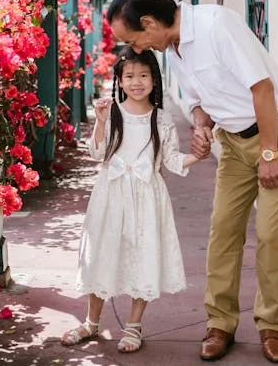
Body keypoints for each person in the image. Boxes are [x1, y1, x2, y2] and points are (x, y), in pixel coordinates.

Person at [105, 0, 278, 363]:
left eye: (132, 39)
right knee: (223, 229)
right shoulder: (174, 48)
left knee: (270, 233)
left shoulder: (217, 26)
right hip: (233, 139)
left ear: (149, 23)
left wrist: (269, 152)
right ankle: (220, 324)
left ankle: (271, 326)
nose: (134, 48)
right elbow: (201, 100)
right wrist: (200, 126)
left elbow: (261, 88)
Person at [60, 48, 205, 353]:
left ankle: (134, 325)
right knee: (102, 252)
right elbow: (98, 154)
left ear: (154, 79)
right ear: (120, 81)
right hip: (111, 194)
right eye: (130, 76)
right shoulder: (112, 112)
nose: (137, 82)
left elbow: (171, 159)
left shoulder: (161, 120)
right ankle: (91, 321)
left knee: (143, 254)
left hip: (146, 197)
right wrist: (99, 122)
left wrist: (196, 156)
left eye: (143, 75)